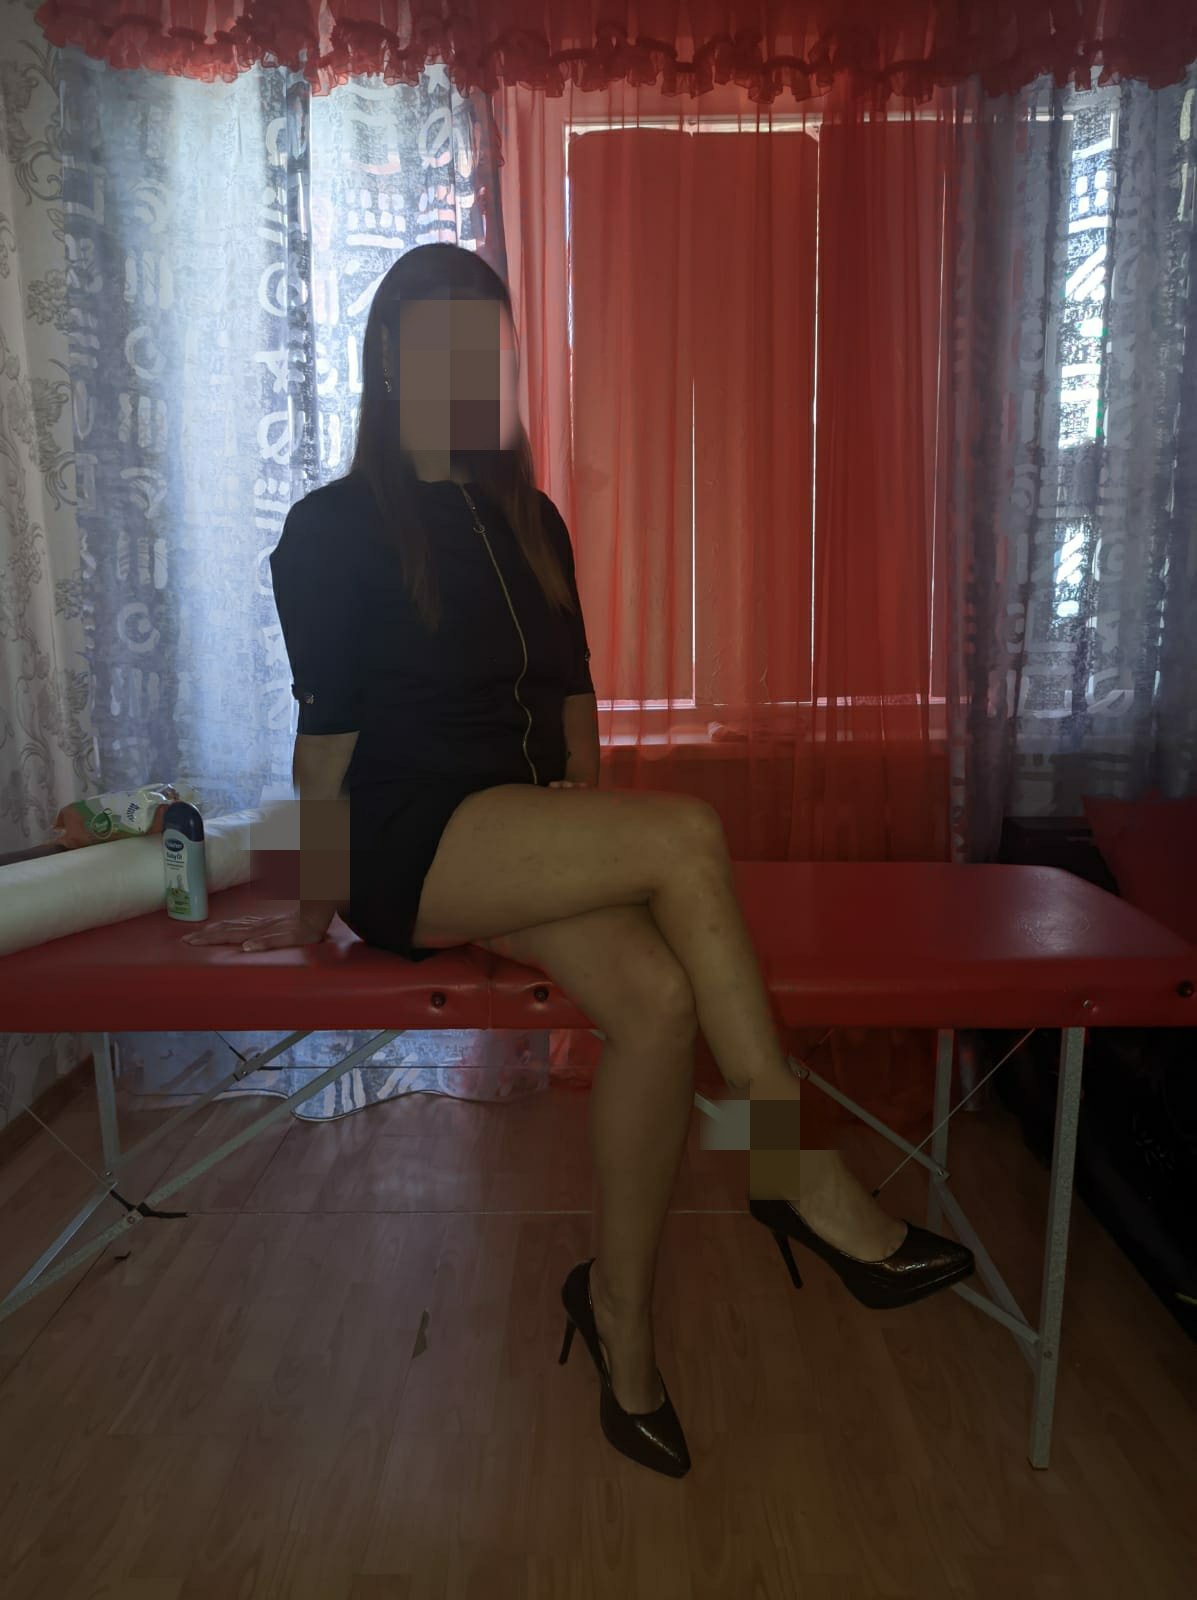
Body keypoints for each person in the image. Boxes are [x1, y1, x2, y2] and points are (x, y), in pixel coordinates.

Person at [184, 242, 974, 1479]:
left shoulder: (529, 520)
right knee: (689, 831)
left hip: (520, 833)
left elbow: (574, 716)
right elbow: (323, 745)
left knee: (655, 1001)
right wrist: (305, 906)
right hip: (405, 842)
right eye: (438, 346)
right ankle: (787, 1164)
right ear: (388, 360)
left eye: (484, 352)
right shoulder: (330, 529)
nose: (464, 374)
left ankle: (620, 1323)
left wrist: (587, 846)